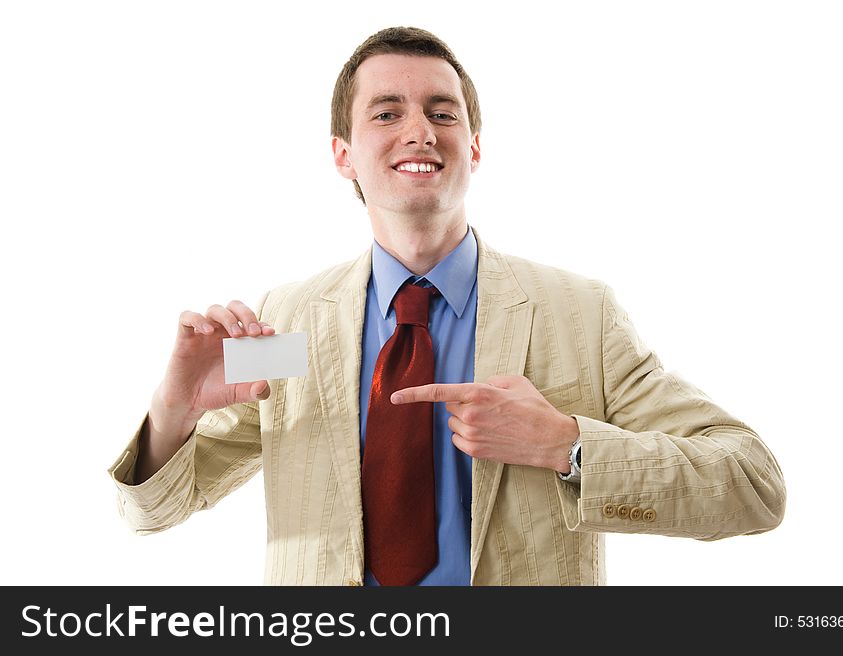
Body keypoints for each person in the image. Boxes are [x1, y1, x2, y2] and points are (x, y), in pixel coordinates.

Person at [109, 26, 786, 586]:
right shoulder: (288, 325)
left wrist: (566, 445)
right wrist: (175, 412)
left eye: (442, 112)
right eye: (386, 113)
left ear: (476, 147)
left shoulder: (577, 315)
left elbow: (753, 484)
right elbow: (149, 515)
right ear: (343, 155)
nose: (420, 132)